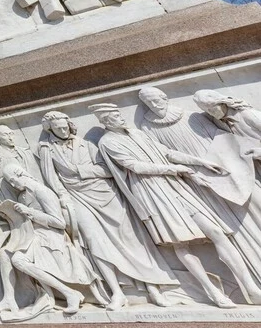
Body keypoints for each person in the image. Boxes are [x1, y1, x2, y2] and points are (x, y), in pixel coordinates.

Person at [92, 103, 261, 307]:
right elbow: (134, 166)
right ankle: (213, 292)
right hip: (153, 194)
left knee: (217, 232)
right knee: (181, 244)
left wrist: (198, 162)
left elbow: (167, 152)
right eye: (115, 116)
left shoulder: (137, 134)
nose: (120, 117)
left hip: (176, 187)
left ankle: (250, 288)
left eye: (119, 113)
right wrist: (172, 169)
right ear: (105, 121)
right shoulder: (108, 142)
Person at [35, 110, 175, 309]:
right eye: (58, 128)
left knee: (131, 239)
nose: (63, 130)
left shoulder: (88, 144)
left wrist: (83, 171)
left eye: (65, 126)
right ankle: (116, 292)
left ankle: (152, 287)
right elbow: (51, 178)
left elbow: (108, 170)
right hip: (77, 198)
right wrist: (63, 197)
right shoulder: (46, 149)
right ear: (51, 129)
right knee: (94, 241)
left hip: (105, 194)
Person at [0, 164, 93, 320]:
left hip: (50, 236)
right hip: (32, 235)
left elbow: (59, 222)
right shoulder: (23, 196)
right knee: (3, 253)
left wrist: (30, 212)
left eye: (13, 181)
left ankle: (70, 293)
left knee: (18, 260)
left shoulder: (42, 192)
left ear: (21, 174)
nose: (13, 185)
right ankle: (9, 298)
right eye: (10, 183)